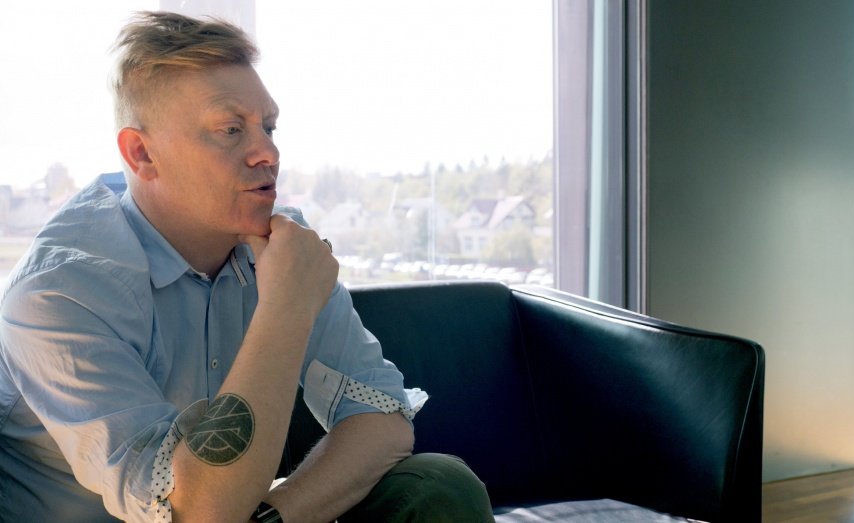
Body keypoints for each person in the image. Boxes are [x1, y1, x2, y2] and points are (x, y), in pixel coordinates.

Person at [0, 11, 493, 523]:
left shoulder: (284, 246)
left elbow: (383, 420)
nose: (268, 153)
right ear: (142, 153)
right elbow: (193, 513)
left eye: (269, 127)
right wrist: (285, 306)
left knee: (438, 485)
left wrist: (276, 515)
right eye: (231, 130)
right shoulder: (59, 292)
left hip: (244, 514)